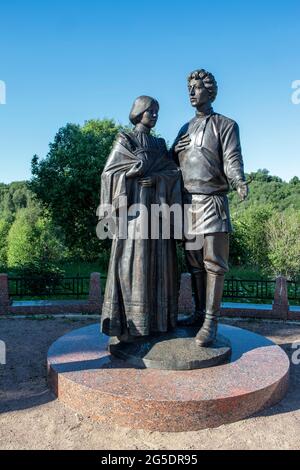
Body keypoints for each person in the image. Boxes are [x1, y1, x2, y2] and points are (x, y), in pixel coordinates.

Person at [171, 69, 249, 347]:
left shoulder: (226, 125)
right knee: (194, 265)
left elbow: (232, 158)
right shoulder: (184, 128)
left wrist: (238, 180)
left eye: (197, 88)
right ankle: (198, 313)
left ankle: (211, 322)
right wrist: (171, 152)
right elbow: (174, 167)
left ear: (210, 91)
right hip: (187, 204)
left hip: (213, 201)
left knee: (214, 264)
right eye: (189, 88)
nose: (192, 93)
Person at [100, 96, 182, 343]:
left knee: (160, 266)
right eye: (150, 111)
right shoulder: (126, 140)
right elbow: (109, 174)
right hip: (134, 216)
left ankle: (158, 322)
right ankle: (130, 324)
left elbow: (173, 172)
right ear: (138, 112)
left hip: (157, 215)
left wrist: (156, 179)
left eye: (157, 111)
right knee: (132, 264)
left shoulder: (159, 143)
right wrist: (134, 173)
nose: (155, 115)